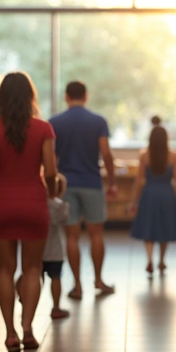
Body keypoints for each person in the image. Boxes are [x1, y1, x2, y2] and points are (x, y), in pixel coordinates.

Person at [0, 72, 57, 352]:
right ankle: (27, 329)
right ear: (30, 97)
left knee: (5, 268)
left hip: (4, 201)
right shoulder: (43, 129)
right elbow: (49, 171)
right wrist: (52, 189)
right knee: (32, 269)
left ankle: (9, 333)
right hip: (34, 202)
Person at [49, 81, 116, 299]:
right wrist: (112, 181)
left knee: (71, 237)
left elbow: (52, 158)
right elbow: (106, 154)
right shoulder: (98, 121)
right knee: (96, 235)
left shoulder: (55, 122)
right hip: (92, 182)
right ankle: (98, 280)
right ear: (86, 96)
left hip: (66, 185)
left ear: (66, 97)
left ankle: (77, 286)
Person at [128, 117, 176, 274]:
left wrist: (133, 202)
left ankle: (149, 260)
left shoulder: (144, 155)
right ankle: (161, 261)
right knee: (164, 228)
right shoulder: (174, 156)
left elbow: (138, 181)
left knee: (149, 227)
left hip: (149, 194)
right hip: (167, 194)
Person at [42, 174, 71, 320]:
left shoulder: (39, 205)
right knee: (56, 278)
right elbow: (64, 219)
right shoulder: (60, 206)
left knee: (34, 277)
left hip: (39, 250)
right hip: (56, 251)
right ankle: (56, 307)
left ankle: (26, 299)